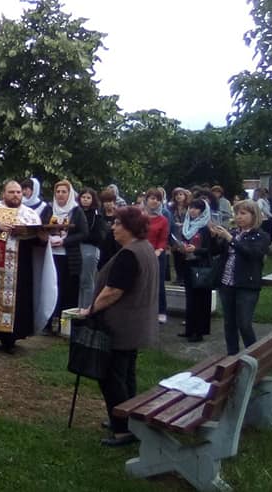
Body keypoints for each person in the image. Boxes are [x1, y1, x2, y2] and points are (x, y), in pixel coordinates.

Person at [79, 206, 159, 447]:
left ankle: (123, 429)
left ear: (130, 227)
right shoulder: (145, 248)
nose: (112, 228)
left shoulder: (130, 254)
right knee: (126, 374)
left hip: (122, 325)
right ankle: (125, 417)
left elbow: (113, 291)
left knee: (112, 377)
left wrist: (91, 309)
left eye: (117, 223)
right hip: (136, 324)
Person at [0, 180, 57, 353]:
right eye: (11, 192)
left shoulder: (29, 215)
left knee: (17, 302)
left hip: (18, 269)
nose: (16, 195)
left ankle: (9, 340)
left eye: (18, 192)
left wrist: (41, 238)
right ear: (3, 193)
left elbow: (37, 246)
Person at [210, 200, 271, 355]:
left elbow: (252, 254)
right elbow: (217, 252)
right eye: (236, 213)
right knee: (229, 323)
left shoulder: (261, 236)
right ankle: (233, 356)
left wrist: (230, 239)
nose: (238, 217)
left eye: (243, 213)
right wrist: (214, 237)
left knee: (244, 323)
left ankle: (254, 357)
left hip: (247, 285)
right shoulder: (234, 233)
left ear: (254, 215)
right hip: (227, 283)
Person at [48, 179, 87, 333]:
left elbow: (84, 233)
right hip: (51, 256)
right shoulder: (50, 209)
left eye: (64, 192)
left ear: (69, 194)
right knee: (52, 289)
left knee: (68, 291)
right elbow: (41, 227)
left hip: (70, 257)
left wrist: (65, 241)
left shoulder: (76, 211)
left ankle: (66, 327)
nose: (60, 195)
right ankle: (49, 323)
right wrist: (48, 238)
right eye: (58, 191)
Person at [177, 198, 214, 342]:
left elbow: (210, 249)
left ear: (203, 211)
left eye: (196, 208)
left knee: (200, 300)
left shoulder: (205, 227)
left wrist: (196, 250)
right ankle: (189, 329)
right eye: (191, 207)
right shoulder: (187, 225)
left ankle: (198, 332)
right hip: (188, 264)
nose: (192, 211)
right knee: (190, 299)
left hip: (201, 267)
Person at [143, 188, 170, 324]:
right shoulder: (140, 216)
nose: (155, 201)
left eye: (158, 199)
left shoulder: (163, 219)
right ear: (146, 199)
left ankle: (161, 310)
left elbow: (163, 238)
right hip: (141, 252)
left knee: (158, 283)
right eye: (152, 198)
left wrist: (159, 250)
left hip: (157, 254)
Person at [78, 187, 105, 309]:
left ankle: (86, 308)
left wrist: (82, 236)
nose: (85, 200)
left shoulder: (96, 215)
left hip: (90, 248)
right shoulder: (76, 212)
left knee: (87, 280)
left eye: (88, 198)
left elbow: (98, 235)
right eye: (83, 197)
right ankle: (78, 308)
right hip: (77, 248)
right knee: (79, 281)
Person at [169, 187, 192, 284]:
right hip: (175, 233)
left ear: (185, 196)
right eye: (176, 195)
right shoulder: (171, 207)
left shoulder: (189, 207)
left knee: (185, 255)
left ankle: (185, 277)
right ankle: (179, 277)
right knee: (176, 255)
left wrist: (183, 224)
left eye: (180, 194)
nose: (178, 197)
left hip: (186, 233)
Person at [97, 188, 121, 268]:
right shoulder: (99, 216)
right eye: (105, 202)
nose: (108, 204)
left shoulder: (119, 215)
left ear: (114, 202)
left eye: (110, 201)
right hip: (102, 249)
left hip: (116, 248)